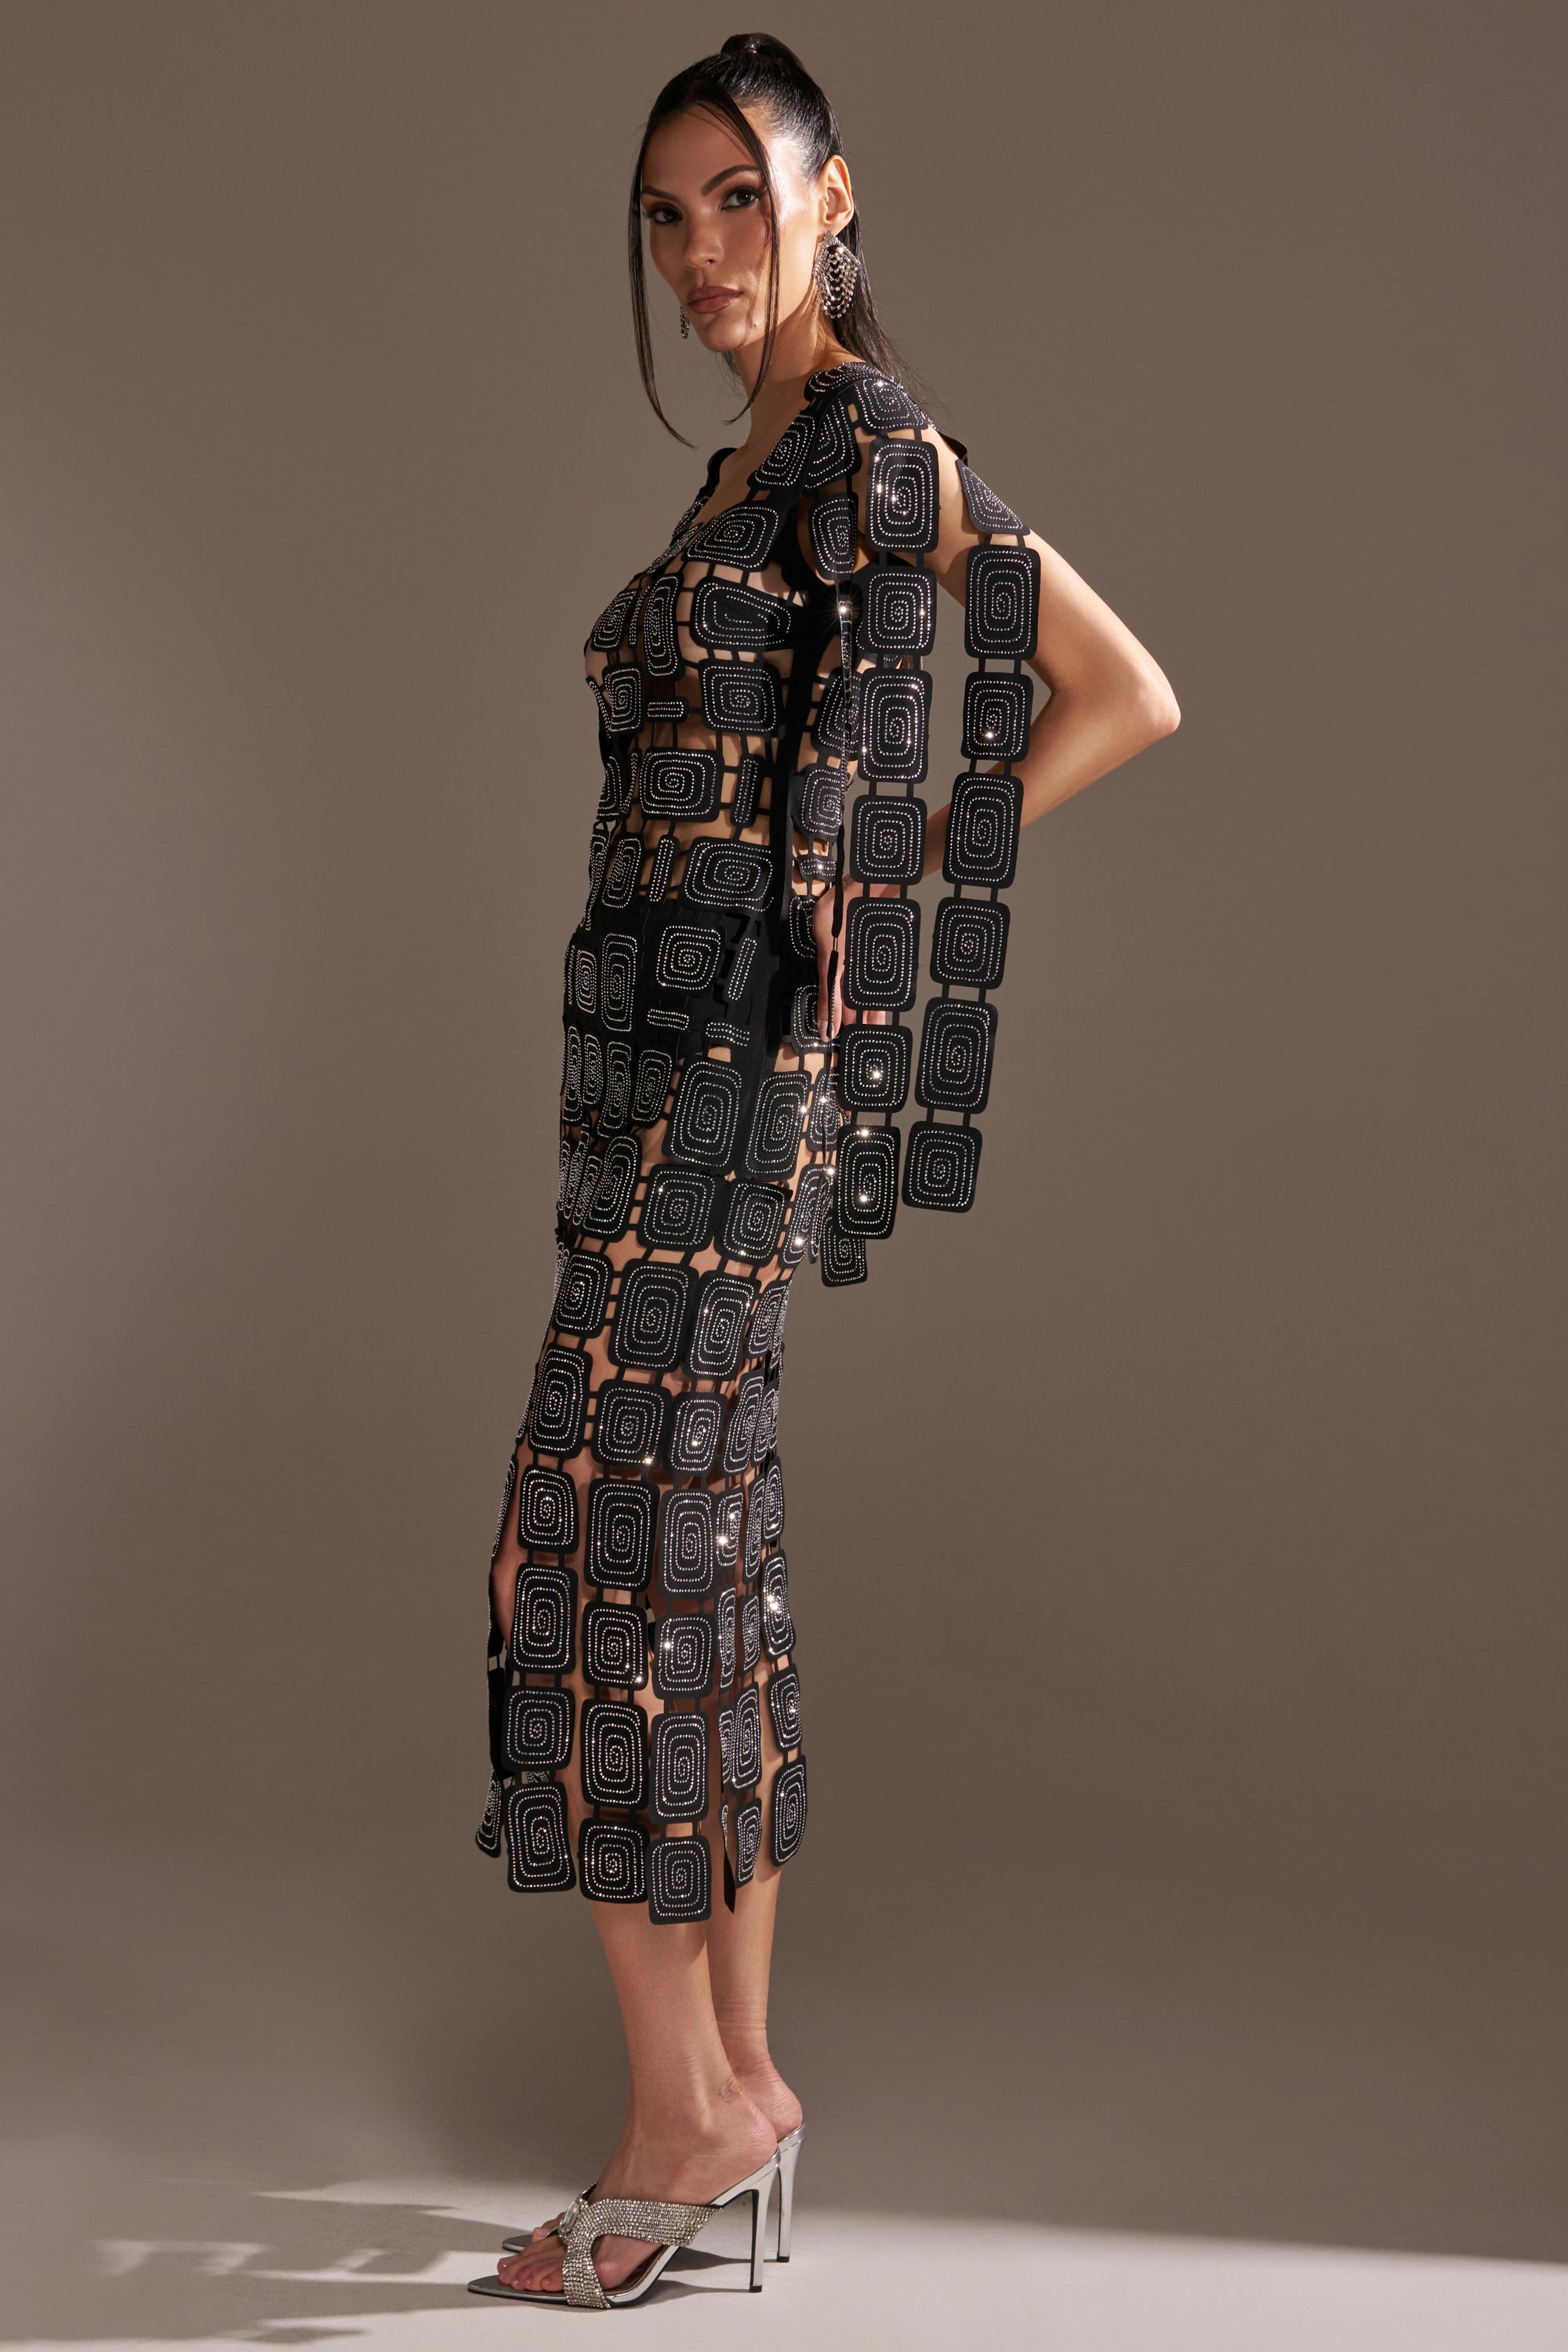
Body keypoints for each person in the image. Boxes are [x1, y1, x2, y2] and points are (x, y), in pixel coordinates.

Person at [469, 31, 1178, 2311]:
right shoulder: (762, 466)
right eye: (667, 216)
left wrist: (889, 891)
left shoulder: (874, 447)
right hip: (670, 1084)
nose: (703, 255)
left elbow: (1119, 690)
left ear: (834, 196)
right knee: (705, 1561)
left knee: (580, 1564)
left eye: (741, 202)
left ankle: (684, 2122)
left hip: (725, 1095)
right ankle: (742, 2087)